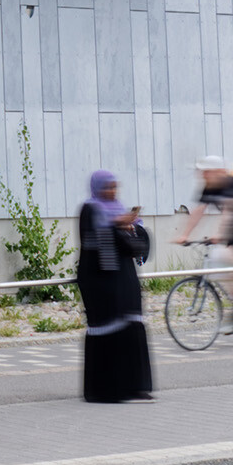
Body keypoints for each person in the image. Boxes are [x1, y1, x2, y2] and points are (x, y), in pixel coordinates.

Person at [75, 171, 154, 404]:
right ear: (97, 188)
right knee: (109, 330)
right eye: (107, 187)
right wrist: (116, 225)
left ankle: (136, 386)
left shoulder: (119, 211)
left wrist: (130, 228)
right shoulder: (90, 209)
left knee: (132, 326)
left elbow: (138, 246)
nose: (111, 191)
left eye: (114, 187)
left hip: (124, 279)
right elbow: (94, 241)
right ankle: (106, 390)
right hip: (100, 282)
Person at [176, 157, 233, 332]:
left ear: (218, 171)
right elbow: (198, 211)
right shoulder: (209, 188)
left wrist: (220, 234)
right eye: (202, 172)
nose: (202, 175)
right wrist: (185, 234)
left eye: (206, 172)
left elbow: (231, 212)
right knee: (224, 267)